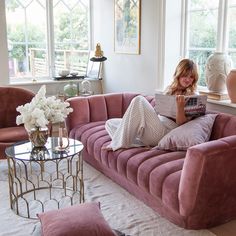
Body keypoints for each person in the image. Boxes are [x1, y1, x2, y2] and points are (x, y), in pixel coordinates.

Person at [105, 58, 199, 151]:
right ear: (178, 74)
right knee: (110, 123)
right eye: (185, 76)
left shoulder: (193, 96)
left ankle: (119, 144)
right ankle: (138, 143)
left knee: (139, 100)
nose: (187, 79)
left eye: (191, 77)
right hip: (155, 125)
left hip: (165, 132)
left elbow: (181, 124)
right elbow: (158, 111)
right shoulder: (170, 89)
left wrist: (180, 107)